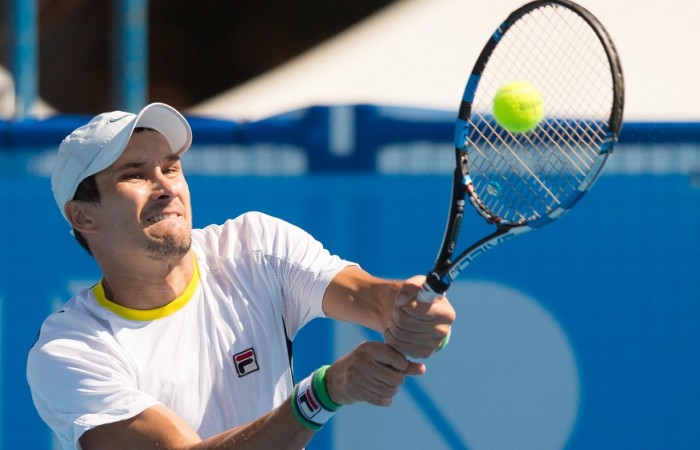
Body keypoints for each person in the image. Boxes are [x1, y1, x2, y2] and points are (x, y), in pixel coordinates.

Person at [26, 102, 456, 450]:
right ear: (83, 216)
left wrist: (411, 312)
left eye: (171, 167)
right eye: (135, 174)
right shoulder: (69, 352)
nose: (166, 187)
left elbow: (372, 298)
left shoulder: (257, 247)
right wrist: (321, 394)